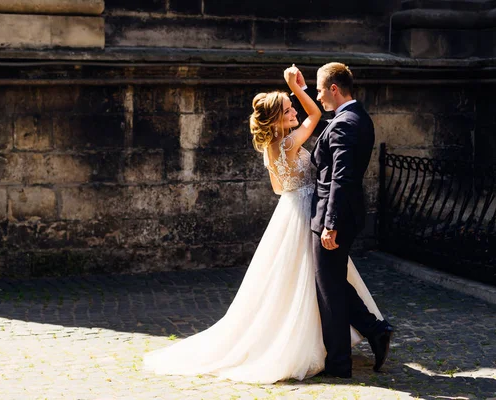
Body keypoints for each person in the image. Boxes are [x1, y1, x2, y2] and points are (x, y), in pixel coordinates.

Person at [142, 65, 384, 384]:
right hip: (305, 212)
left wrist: (299, 184)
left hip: (292, 207)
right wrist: (295, 88)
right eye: (287, 110)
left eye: (291, 106)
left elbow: (278, 188)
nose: (294, 111)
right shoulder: (289, 143)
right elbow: (313, 116)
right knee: (319, 280)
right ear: (278, 120)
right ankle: (343, 341)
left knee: (316, 280)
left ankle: (343, 343)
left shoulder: (272, 148)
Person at [306, 62, 394, 378]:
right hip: (344, 213)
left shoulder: (345, 123)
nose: (317, 96)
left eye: (318, 90)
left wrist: (330, 224)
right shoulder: (359, 117)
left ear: (333, 88)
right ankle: (375, 329)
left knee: (328, 289)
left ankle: (339, 364)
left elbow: (341, 178)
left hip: (335, 215)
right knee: (332, 282)